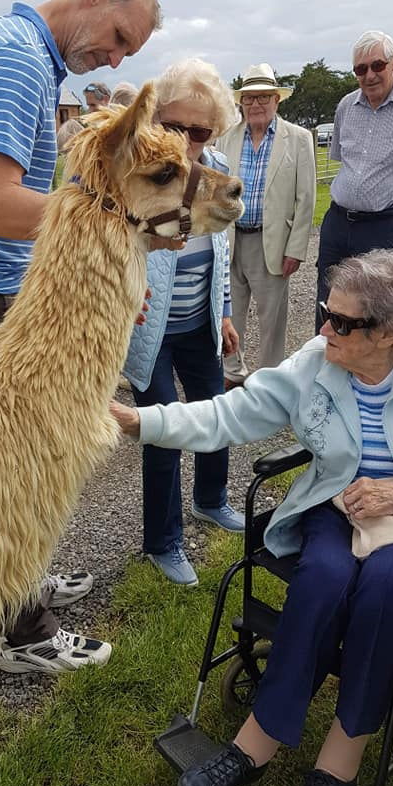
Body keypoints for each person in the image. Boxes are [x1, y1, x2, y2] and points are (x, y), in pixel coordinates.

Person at [111, 250, 393, 786]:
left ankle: (338, 766)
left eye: (341, 321)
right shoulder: (320, 360)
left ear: (387, 331)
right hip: (338, 503)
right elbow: (234, 413)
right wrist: (143, 421)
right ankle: (254, 745)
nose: (324, 329)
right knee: (324, 577)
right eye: (325, 313)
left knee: (388, 589)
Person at [0, 0, 161, 675]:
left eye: (125, 53)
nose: (112, 56)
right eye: (118, 35)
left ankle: (17, 585)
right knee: (9, 473)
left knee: (14, 465)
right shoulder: (16, 61)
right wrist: (111, 224)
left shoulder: (23, 55)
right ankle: (24, 632)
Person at [121, 58, 244, 587]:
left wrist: (224, 312)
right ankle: (163, 541)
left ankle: (211, 499)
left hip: (199, 324)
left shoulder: (212, 168)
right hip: (151, 330)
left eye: (200, 130)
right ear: (155, 118)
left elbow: (220, 247)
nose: (188, 141)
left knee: (217, 413)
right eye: (175, 127)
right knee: (164, 431)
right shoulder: (135, 168)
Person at [316, 30, 393, 330]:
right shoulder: (346, 106)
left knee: (379, 310)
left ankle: (373, 372)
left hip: (384, 226)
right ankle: (326, 364)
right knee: (329, 301)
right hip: (338, 222)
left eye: (377, 65)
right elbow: (344, 162)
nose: (369, 75)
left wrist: (392, 195)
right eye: (361, 69)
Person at [216, 63, 315, 388]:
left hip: (271, 243)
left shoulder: (298, 139)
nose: (255, 105)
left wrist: (295, 248)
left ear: (276, 100)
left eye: (263, 98)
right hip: (231, 240)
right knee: (231, 314)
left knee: (272, 320)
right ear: (241, 103)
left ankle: (271, 381)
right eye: (249, 99)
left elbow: (306, 199)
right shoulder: (226, 139)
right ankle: (233, 373)